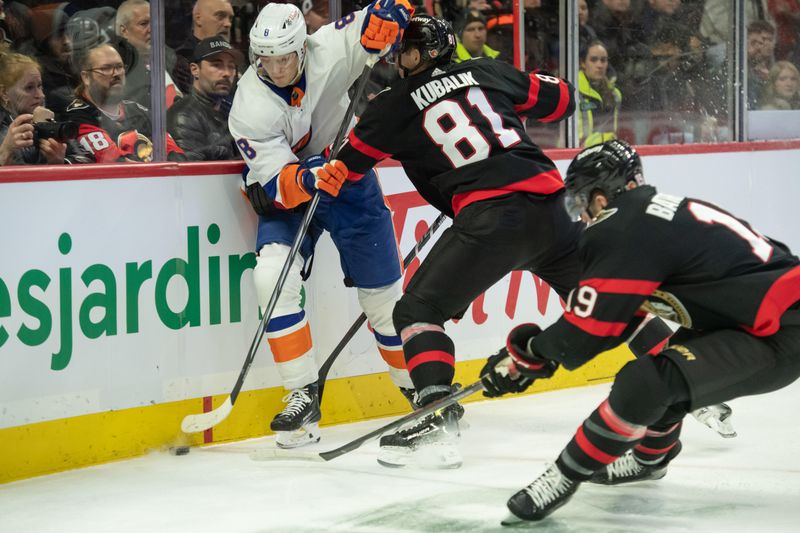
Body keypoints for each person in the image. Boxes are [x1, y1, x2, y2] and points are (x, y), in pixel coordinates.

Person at [480, 140, 800, 524]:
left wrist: (528, 352)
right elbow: (618, 321)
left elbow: (586, 333)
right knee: (665, 375)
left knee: (645, 382)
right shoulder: (653, 214)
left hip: (781, 332)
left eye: (580, 202)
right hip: (754, 321)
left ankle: (562, 478)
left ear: (601, 197)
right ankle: (650, 460)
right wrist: (534, 357)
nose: (581, 216)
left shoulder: (622, 226)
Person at [335, 14, 581, 468]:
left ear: (426, 52)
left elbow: (345, 169)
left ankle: (436, 416)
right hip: (555, 208)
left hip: (493, 219)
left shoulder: (393, 104)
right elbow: (564, 100)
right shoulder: (488, 69)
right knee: (602, 299)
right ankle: (679, 372)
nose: (397, 57)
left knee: (416, 311)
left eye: (405, 49)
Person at [228, 1, 416, 449]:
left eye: (283, 58)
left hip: (348, 178)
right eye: (264, 60)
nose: (274, 69)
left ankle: (421, 391)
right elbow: (277, 183)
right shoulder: (248, 106)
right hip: (292, 191)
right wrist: (311, 177)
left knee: (385, 302)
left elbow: (389, 8)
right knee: (271, 276)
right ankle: (303, 395)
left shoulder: (329, 46)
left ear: (301, 49)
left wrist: (392, 19)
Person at [63, 42, 185, 163]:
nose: (116, 74)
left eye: (119, 67)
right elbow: (114, 161)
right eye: (106, 68)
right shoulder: (78, 115)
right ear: (86, 77)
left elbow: (175, 153)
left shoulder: (138, 110)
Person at [0, 44, 90, 165]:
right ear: (4, 93)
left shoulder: (49, 121)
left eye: (40, 86)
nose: (41, 95)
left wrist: (60, 162)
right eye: (29, 88)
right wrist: (5, 152)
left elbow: (87, 160)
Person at [167, 37, 241, 160]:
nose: (227, 73)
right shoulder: (184, 116)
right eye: (217, 65)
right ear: (195, 70)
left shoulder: (231, 112)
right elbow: (193, 175)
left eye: (231, 66)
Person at [115, 0, 181, 109]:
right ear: (124, 31)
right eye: (143, 24)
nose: (153, 29)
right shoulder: (117, 71)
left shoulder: (173, 60)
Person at [173, 0, 235, 94]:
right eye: (220, 16)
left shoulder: (235, 57)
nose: (228, 24)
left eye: (230, 18)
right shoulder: (182, 59)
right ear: (198, 19)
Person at [577, 40, 620, 146]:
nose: (599, 65)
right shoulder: (572, 92)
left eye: (603, 60)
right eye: (594, 60)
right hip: (577, 154)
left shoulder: (615, 95)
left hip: (607, 152)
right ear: (583, 63)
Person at [748, 19, 778, 108]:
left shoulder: (776, 67)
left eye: (770, 39)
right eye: (764, 39)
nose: (767, 44)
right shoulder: (745, 67)